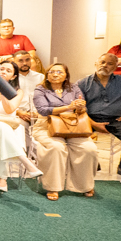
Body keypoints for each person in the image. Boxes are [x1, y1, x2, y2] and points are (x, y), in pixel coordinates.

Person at [31, 63, 98, 201]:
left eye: (59, 72)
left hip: (73, 126)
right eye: (52, 72)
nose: (55, 74)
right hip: (46, 126)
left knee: (88, 148)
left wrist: (80, 107)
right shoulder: (40, 89)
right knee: (56, 147)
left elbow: (82, 108)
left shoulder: (74, 88)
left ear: (66, 76)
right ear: (47, 75)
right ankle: (53, 187)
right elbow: (42, 110)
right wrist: (68, 107)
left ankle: (85, 185)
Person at [0, 59, 42, 192]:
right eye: (1, 69)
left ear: (14, 76)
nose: (3, 72)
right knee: (0, 126)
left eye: (8, 71)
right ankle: (25, 161)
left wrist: (2, 89)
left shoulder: (18, 92)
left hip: (8, 130)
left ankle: (2, 180)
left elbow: (9, 110)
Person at [12, 50, 44, 122]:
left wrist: (39, 112)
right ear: (14, 62)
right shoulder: (10, 78)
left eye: (27, 60)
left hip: (38, 115)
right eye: (20, 61)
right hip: (18, 115)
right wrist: (17, 112)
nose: (25, 63)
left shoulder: (41, 78)